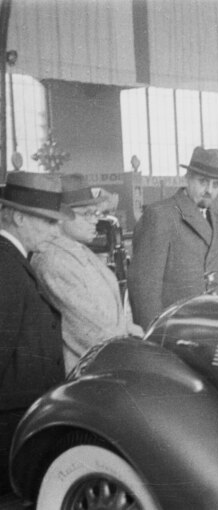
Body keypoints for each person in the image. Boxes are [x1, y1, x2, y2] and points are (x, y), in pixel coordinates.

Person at [0, 171, 69, 494]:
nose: (56, 231)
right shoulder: (5, 266)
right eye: (46, 221)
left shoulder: (16, 260)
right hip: (9, 426)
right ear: (16, 217)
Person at [31, 174, 143, 372]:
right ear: (59, 218)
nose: (95, 220)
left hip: (107, 363)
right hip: (83, 374)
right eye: (86, 214)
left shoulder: (78, 249)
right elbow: (89, 329)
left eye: (96, 213)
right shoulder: (53, 260)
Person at [128, 146, 218, 329]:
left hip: (212, 327)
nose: (209, 190)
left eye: (216, 184)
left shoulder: (217, 221)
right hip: (175, 330)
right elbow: (144, 289)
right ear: (188, 178)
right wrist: (154, 336)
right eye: (203, 181)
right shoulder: (161, 215)